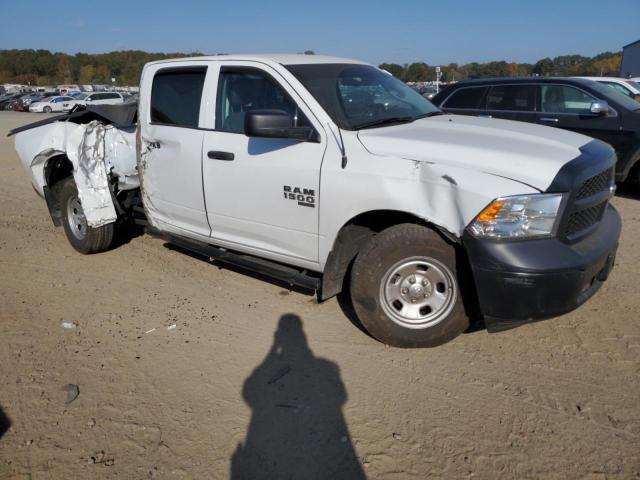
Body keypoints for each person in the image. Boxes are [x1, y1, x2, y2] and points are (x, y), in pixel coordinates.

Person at [231, 314, 366, 479]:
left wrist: (273, 349)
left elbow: (248, 391)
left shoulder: (324, 366)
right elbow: (342, 396)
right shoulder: (326, 366)